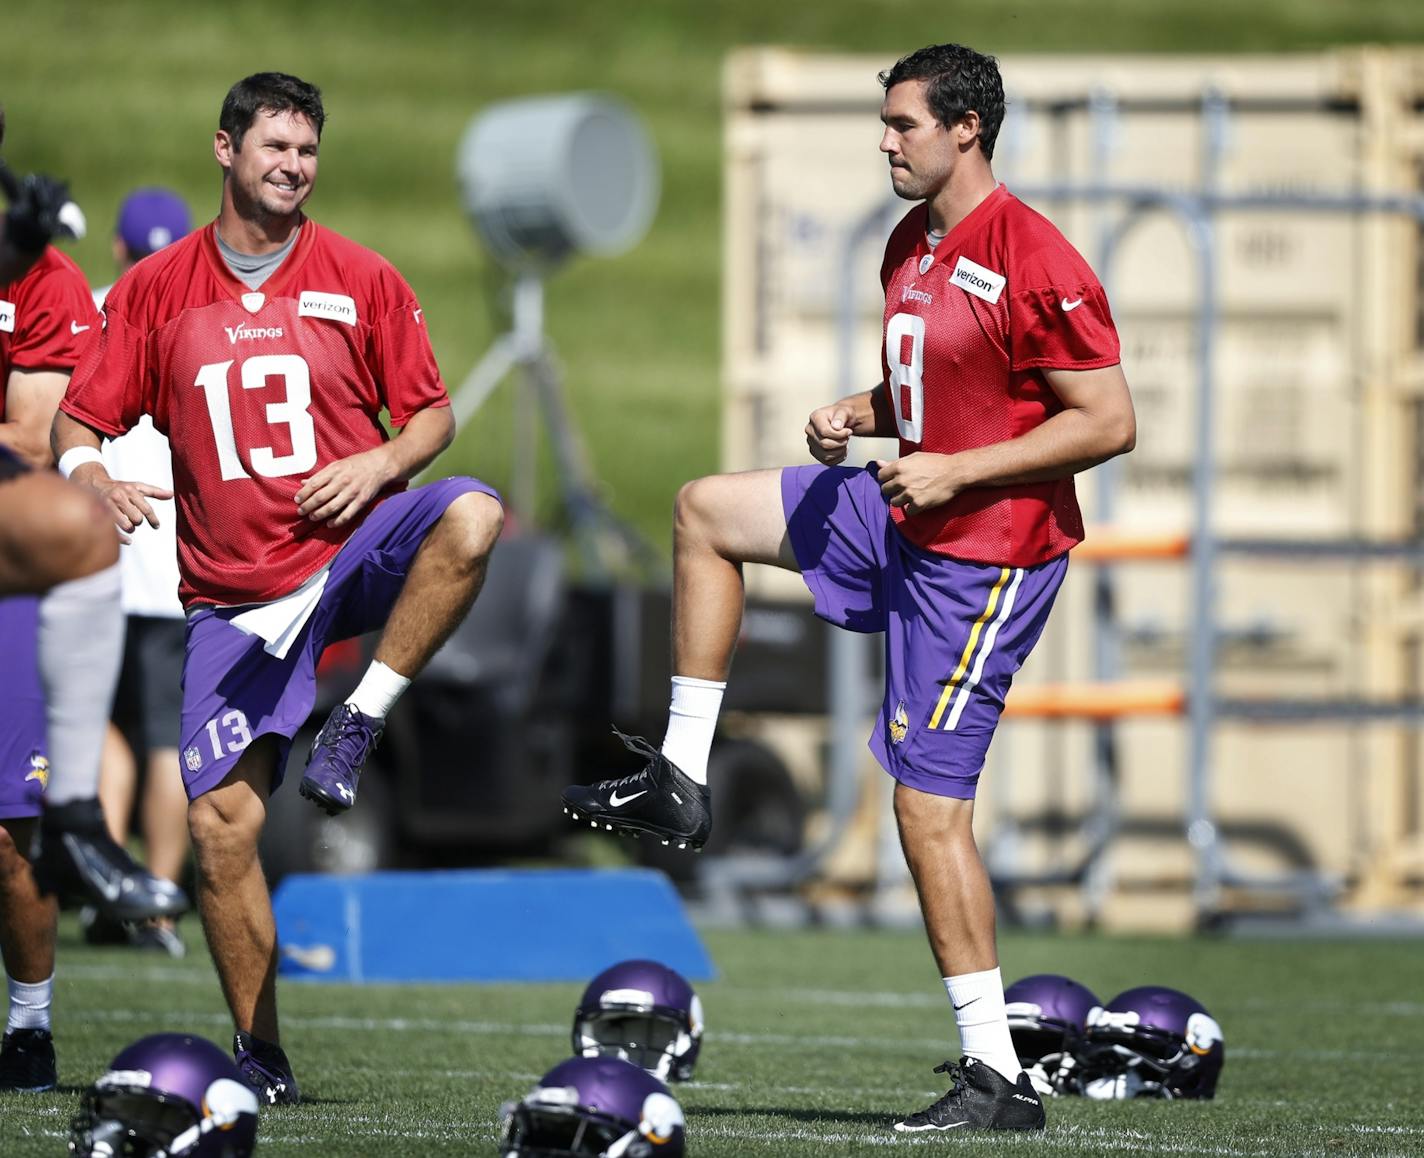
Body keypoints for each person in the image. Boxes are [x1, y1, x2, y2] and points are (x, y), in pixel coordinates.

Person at [561, 43, 1136, 1134]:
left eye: (903, 124)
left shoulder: (1036, 256)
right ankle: (678, 775)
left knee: (925, 813)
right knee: (702, 510)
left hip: (985, 561)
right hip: (902, 511)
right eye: (883, 122)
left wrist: (958, 468)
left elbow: (1104, 422)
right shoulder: (909, 245)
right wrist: (857, 414)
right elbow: (944, 384)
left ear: (966, 127)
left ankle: (997, 1078)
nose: (884, 140)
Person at [53, 71, 504, 1106]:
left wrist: (381, 466)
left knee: (472, 514)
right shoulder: (159, 289)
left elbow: (429, 416)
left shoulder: (363, 276)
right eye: (274, 148)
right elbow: (75, 423)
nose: (293, 167)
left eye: (307, 151)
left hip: (348, 549)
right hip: (238, 600)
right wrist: (91, 475)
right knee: (222, 832)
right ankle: (261, 1052)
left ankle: (359, 723)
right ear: (224, 150)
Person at [0, 109, 188, 1094]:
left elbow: (35, 444)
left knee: (24, 808)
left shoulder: (74, 289)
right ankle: (145, 898)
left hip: (55, 559)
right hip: (154, 566)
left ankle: (33, 1012)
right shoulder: (190, 305)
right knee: (154, 740)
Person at [82, 187, 194, 958]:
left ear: (118, 250)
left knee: (95, 729)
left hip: (91, 554)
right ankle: (156, 905)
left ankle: (107, 885)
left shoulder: (90, 308)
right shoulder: (205, 316)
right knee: (164, 741)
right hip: (174, 557)